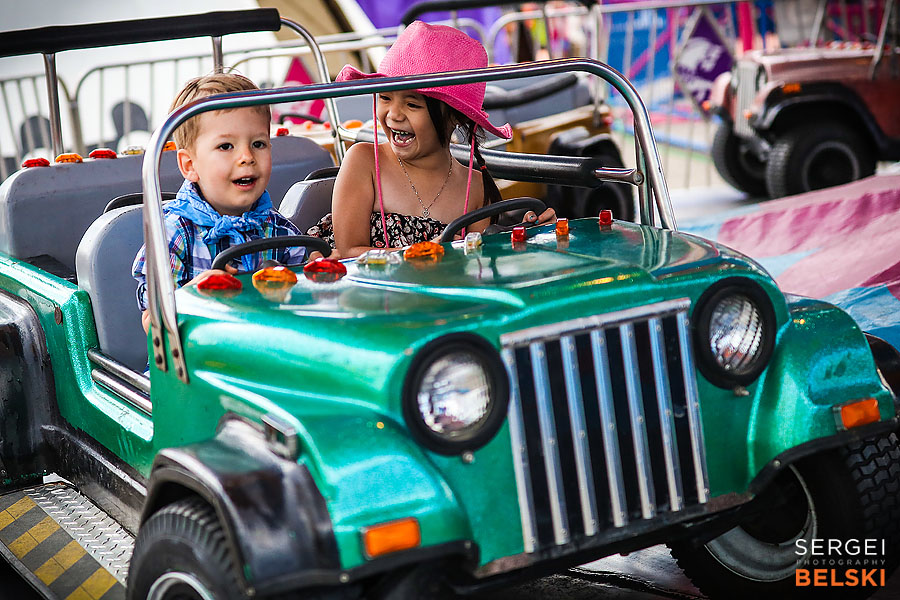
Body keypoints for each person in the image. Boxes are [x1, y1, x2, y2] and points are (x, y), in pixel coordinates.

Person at [308, 21, 555, 258]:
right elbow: (349, 253)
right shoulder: (364, 162)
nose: (394, 114)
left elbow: (480, 259)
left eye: (412, 104)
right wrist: (427, 251)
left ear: (454, 117)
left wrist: (525, 236)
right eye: (384, 98)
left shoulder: (476, 187)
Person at [133, 72, 314, 333]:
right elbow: (153, 324)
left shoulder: (280, 231)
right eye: (226, 146)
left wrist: (317, 275)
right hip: (200, 354)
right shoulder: (172, 235)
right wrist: (192, 296)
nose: (247, 156)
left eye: (258, 143)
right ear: (189, 165)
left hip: (268, 346)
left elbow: (304, 303)